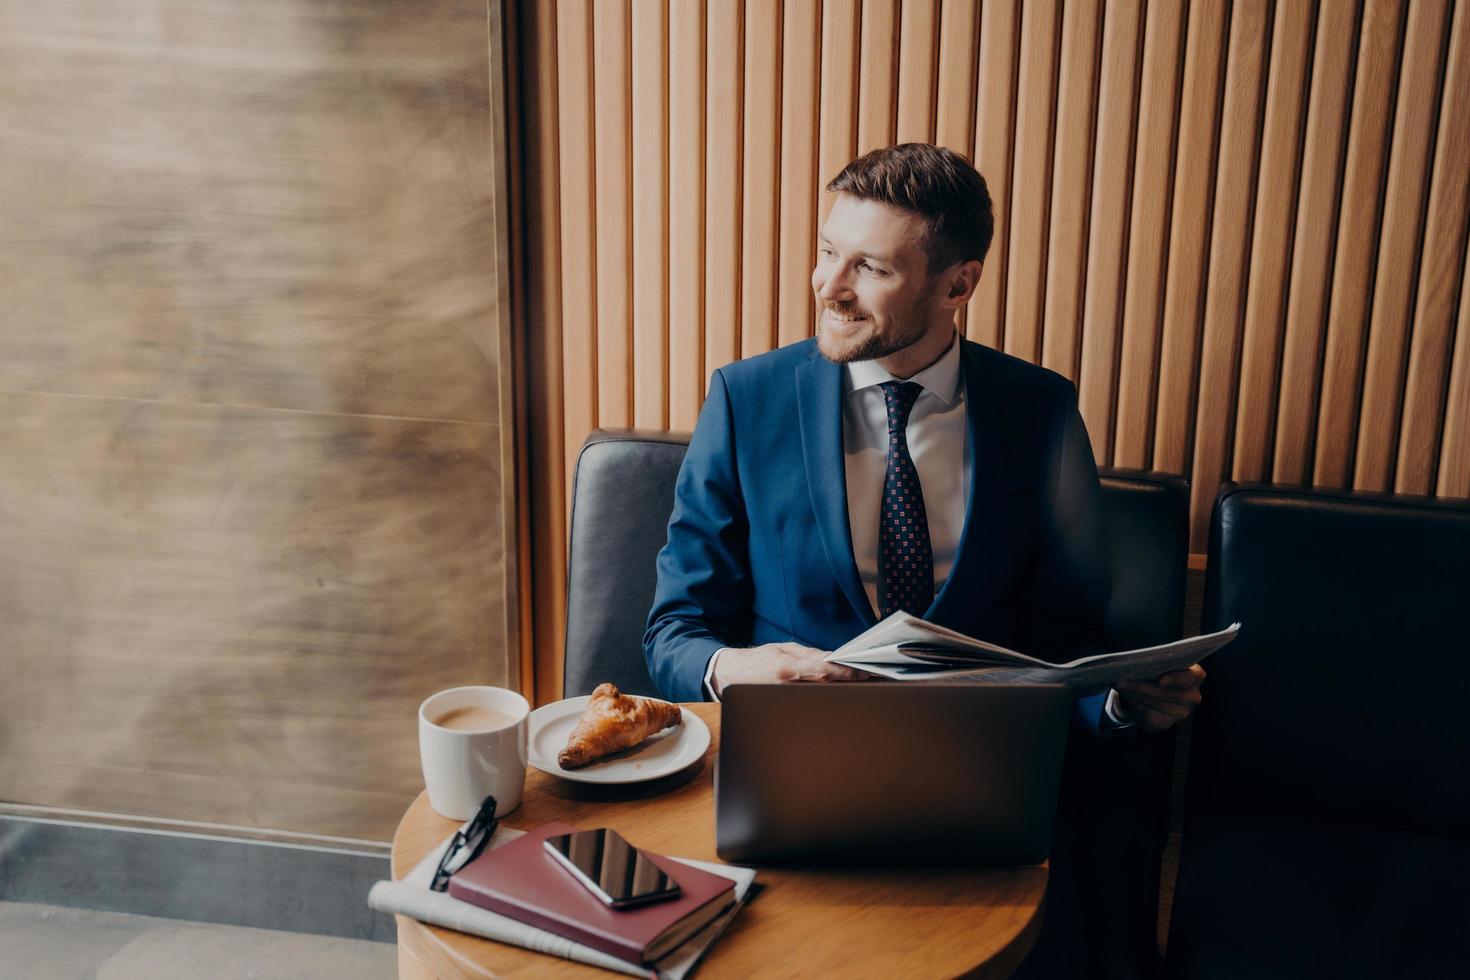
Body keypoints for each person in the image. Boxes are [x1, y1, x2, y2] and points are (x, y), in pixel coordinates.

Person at [643, 142, 1203, 734]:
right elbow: (674, 631)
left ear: (958, 285)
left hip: (982, 765)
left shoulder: (1042, 410)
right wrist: (729, 667)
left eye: (871, 268)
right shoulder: (745, 398)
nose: (828, 286)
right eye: (829, 253)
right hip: (790, 754)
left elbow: (1069, 636)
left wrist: (1121, 704)